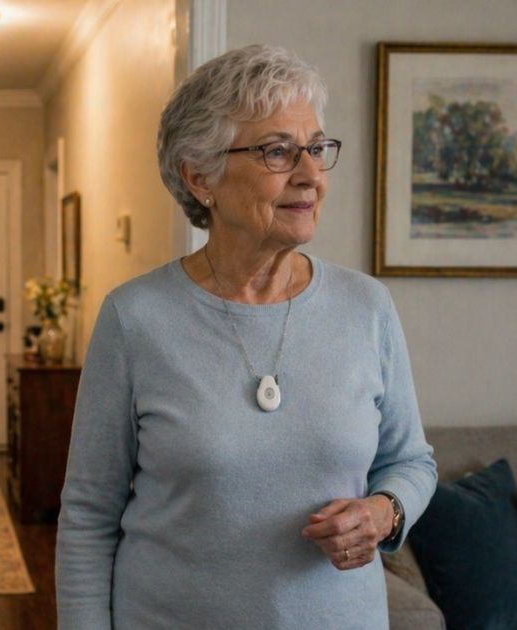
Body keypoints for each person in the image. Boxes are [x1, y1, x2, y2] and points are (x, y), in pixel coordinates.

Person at [55, 45, 438, 629]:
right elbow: (88, 513)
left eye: (316, 148)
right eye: (278, 151)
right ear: (199, 175)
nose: (310, 175)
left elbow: (411, 461)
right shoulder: (136, 319)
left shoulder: (367, 308)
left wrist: (384, 512)